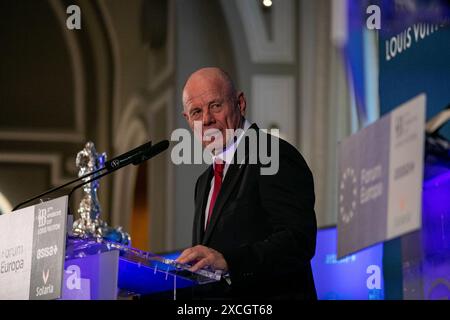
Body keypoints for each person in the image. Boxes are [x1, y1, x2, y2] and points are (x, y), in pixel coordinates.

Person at [176, 67, 317, 299]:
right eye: (196, 112)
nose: (207, 119)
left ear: (240, 103)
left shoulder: (272, 154)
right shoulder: (204, 182)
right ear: (188, 121)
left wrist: (230, 262)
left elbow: (298, 240)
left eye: (215, 106)